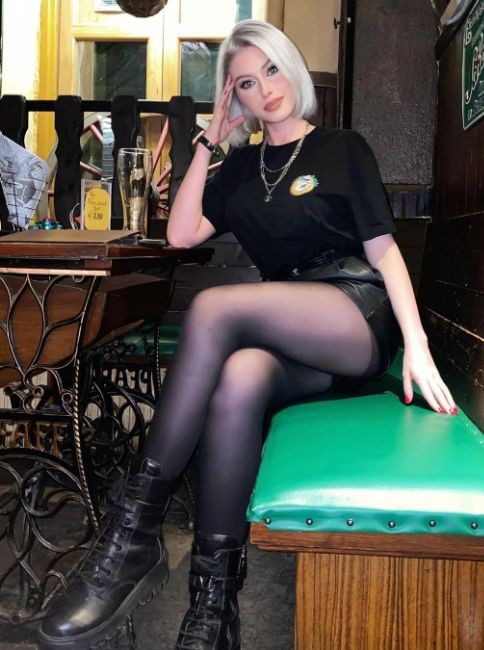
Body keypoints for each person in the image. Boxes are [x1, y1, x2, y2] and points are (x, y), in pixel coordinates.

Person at [38, 18, 457, 650]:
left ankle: (133, 533)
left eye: (271, 69)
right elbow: (181, 234)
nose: (266, 88)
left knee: (214, 309)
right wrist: (210, 140)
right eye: (246, 83)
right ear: (234, 97)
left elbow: (384, 251)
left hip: (352, 313)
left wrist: (416, 346)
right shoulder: (239, 169)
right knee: (238, 379)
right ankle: (213, 610)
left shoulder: (342, 147)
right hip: (291, 339)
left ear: (291, 67)